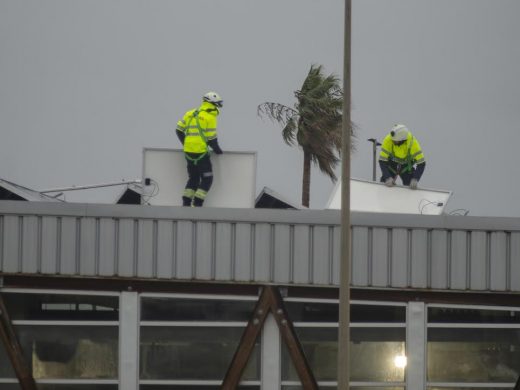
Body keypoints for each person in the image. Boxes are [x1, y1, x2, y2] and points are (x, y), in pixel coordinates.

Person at [176, 91, 224, 207]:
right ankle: (197, 203)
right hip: (201, 153)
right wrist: (218, 150)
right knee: (207, 178)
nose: (218, 106)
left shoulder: (190, 113)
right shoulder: (210, 117)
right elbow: (212, 138)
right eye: (217, 104)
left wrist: (186, 144)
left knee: (193, 178)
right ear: (212, 104)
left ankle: (186, 202)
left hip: (188, 152)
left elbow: (178, 130)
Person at [379, 123, 426, 189]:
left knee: (410, 186)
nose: (393, 142)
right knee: (384, 183)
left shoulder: (412, 143)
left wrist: (415, 178)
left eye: (395, 141)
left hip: (407, 166)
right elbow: (382, 161)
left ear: (403, 140)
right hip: (392, 164)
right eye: (393, 140)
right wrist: (387, 177)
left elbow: (421, 163)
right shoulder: (388, 140)